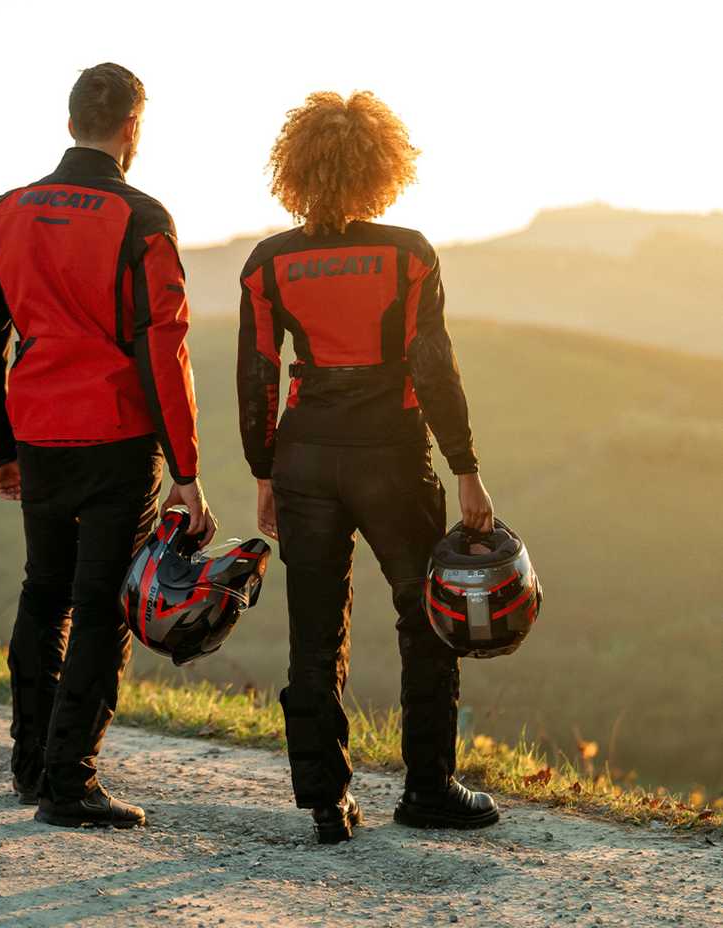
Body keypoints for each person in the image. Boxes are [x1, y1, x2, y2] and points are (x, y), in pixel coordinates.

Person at [236, 91, 500, 843]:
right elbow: (435, 366)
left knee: (314, 634)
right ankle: (428, 790)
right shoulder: (408, 253)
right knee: (426, 622)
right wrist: (467, 467)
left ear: (298, 167)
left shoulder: (270, 262)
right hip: (393, 453)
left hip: (305, 458)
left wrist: (264, 471)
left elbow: (256, 374)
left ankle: (327, 801)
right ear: (383, 166)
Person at [0, 62, 215, 829]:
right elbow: (163, 349)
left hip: (38, 434)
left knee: (44, 592)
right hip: (118, 440)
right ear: (131, 127)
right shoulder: (142, 219)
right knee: (100, 607)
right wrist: (188, 472)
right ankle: (70, 781)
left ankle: (31, 764)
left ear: (71, 121)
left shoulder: (7, 211)